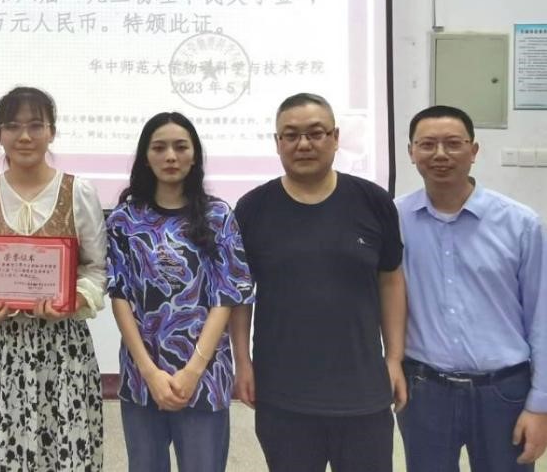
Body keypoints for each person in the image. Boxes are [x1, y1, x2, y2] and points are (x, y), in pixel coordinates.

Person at [230, 92, 407, 472]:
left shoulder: (373, 201)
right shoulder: (253, 208)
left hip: (363, 390)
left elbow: (391, 281)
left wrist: (394, 358)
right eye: (291, 135)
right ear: (277, 142)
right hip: (282, 393)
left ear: (335, 137)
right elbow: (240, 295)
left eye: (315, 133)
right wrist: (242, 362)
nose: (304, 144)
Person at [0, 86, 106, 471]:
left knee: (61, 452)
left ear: (52, 132)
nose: (24, 136)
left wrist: (73, 300)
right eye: (12, 126)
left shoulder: (78, 192)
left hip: (61, 351)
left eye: (36, 125)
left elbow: (96, 269)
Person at [396, 105, 547, 471]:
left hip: (504, 392)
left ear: (474, 150)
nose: (440, 154)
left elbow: (542, 317)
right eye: (427, 144)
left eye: (453, 143)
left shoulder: (520, 224)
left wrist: (540, 404)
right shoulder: (394, 219)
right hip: (425, 390)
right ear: (411, 152)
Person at [106, 112, 254, 472]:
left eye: (180, 147)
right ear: (146, 157)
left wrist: (192, 371)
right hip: (142, 376)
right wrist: (150, 372)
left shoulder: (219, 215)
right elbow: (119, 296)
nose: (170, 156)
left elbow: (228, 296)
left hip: (205, 376)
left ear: (194, 156)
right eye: (159, 148)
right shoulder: (124, 219)